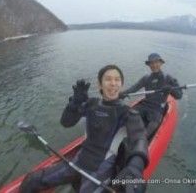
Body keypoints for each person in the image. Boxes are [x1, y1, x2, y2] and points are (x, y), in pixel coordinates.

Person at [20, 65, 148, 193]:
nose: (113, 83)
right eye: (108, 79)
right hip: (77, 163)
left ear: (121, 85)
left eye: (117, 79)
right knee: (31, 181)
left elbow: (139, 138)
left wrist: (136, 166)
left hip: (100, 171)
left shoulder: (127, 113)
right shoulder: (91, 104)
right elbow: (66, 122)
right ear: (99, 85)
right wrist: (74, 104)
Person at [120, 53, 183, 138]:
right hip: (145, 105)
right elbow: (134, 88)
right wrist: (123, 94)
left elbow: (179, 96)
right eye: (151, 63)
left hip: (157, 108)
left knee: (152, 126)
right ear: (149, 65)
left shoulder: (168, 78)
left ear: (161, 63)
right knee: (126, 115)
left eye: (156, 62)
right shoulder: (146, 78)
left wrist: (171, 89)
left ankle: (141, 141)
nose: (154, 65)